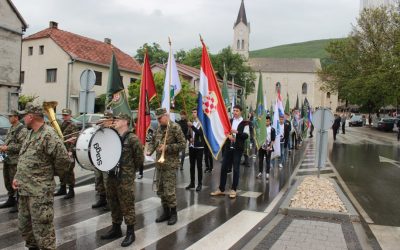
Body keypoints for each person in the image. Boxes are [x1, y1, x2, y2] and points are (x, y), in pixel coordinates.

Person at [13, 103, 69, 250]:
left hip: (39, 193)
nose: (22, 118)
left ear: (31, 117)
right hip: (24, 190)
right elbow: (24, 156)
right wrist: (17, 177)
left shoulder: (48, 134)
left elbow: (63, 160)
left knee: (43, 232)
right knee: (25, 227)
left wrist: (48, 175)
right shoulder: (30, 133)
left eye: (24, 115)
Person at [100, 113, 144, 247]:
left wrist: (129, 172)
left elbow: (139, 160)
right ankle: (116, 228)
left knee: (127, 204)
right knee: (113, 202)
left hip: (125, 178)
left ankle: (130, 232)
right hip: (112, 176)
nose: (115, 121)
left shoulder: (132, 139)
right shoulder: (112, 136)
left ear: (126, 121)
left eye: (118, 119)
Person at [147, 108, 186, 226]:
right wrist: (149, 151)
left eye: (160, 118)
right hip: (160, 163)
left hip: (170, 164)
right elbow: (153, 142)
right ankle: (166, 212)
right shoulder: (158, 128)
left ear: (166, 116)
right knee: (160, 190)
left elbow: (183, 144)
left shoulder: (175, 128)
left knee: (169, 190)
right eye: (157, 118)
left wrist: (167, 148)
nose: (158, 121)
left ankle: (174, 213)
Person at [210, 105, 249, 198]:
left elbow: (246, 135)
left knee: (235, 169)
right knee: (223, 168)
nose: (235, 112)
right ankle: (221, 189)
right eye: (234, 110)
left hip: (238, 149)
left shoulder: (245, 123)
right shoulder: (230, 121)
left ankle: (233, 189)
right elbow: (225, 131)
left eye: (237, 111)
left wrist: (236, 132)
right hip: (228, 147)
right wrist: (228, 136)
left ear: (241, 112)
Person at [0, 110, 27, 213]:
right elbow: (8, 141)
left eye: (11, 116)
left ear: (16, 117)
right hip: (8, 159)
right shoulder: (11, 128)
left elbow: (22, 146)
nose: (9, 118)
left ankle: (19, 202)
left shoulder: (22, 130)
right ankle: (11, 199)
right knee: (7, 180)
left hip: (15, 161)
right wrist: (3, 147)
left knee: (15, 182)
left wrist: (7, 148)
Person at [54, 108, 79, 199]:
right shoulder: (61, 124)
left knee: (69, 171)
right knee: (62, 170)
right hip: (62, 151)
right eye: (63, 115)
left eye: (66, 115)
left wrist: (71, 151)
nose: (64, 117)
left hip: (69, 151)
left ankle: (71, 190)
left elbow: (74, 139)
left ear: (70, 115)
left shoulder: (73, 125)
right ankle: (63, 188)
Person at [91, 111, 114, 210]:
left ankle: (111, 201)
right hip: (99, 157)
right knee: (98, 178)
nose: (104, 121)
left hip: (108, 159)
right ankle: (102, 198)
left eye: (106, 119)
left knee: (107, 181)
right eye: (103, 119)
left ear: (111, 120)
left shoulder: (114, 130)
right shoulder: (100, 129)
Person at [186, 108, 204, 192]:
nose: (193, 114)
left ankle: (200, 184)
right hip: (191, 147)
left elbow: (200, 133)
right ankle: (192, 183)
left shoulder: (201, 123)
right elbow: (188, 134)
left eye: (195, 112)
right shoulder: (191, 122)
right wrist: (189, 139)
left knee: (199, 166)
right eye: (192, 112)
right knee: (191, 166)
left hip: (199, 147)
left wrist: (192, 126)